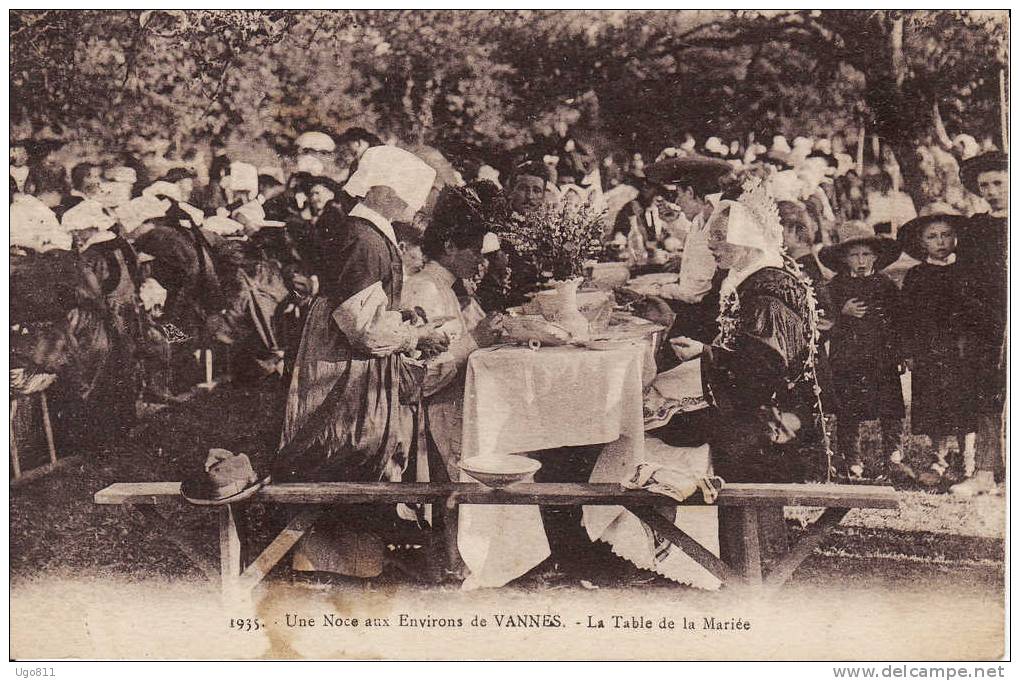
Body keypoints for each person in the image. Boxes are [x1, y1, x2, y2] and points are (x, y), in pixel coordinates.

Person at [272, 145, 442, 577]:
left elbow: (366, 311)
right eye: (411, 193)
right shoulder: (364, 238)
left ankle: (352, 558)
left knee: (363, 446)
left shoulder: (369, 233)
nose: (417, 203)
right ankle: (330, 561)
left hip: (350, 360)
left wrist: (401, 320)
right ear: (386, 190)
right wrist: (415, 335)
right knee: (350, 443)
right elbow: (362, 331)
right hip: (341, 367)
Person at [669, 178, 824, 483]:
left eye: (720, 239)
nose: (711, 246)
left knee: (667, 429)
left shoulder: (767, 291)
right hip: (758, 404)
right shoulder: (750, 275)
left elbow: (763, 368)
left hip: (772, 421)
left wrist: (705, 352)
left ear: (746, 239)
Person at [400, 185, 506, 576]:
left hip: (452, 405)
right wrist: (473, 342)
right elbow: (418, 377)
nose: (480, 258)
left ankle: (468, 554)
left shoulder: (447, 287)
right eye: (474, 249)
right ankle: (454, 559)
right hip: (430, 414)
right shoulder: (424, 289)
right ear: (449, 246)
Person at [898, 214, 984, 489]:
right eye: (932, 237)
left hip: (961, 349)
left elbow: (975, 310)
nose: (940, 242)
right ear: (921, 243)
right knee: (933, 402)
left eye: (946, 235)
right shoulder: (916, 276)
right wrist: (909, 350)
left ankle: (967, 456)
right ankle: (939, 456)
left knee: (964, 402)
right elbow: (907, 316)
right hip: (929, 350)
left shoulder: (966, 271)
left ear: (955, 237)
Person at [819, 223, 906, 481]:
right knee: (849, 408)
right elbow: (823, 322)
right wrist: (841, 314)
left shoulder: (886, 285)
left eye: (866, 254)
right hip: (848, 357)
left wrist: (900, 353)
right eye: (854, 255)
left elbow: (899, 319)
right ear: (844, 259)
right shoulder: (834, 287)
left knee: (890, 406)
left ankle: (894, 455)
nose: (860, 260)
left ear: (876, 257)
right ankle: (852, 460)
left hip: (882, 356)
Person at [953, 151, 1007, 495]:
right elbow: (964, 279)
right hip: (986, 323)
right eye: (984, 185)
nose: (991, 191)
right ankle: (986, 471)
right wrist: (982, 317)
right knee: (987, 396)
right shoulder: (975, 228)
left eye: (999, 183)